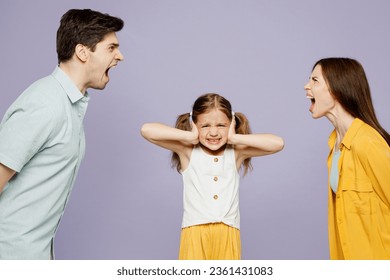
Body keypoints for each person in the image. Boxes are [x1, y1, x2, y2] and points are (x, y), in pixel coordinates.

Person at [0, 9, 124, 259]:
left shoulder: (69, 105)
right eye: (111, 48)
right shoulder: (45, 102)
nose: (120, 56)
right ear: (82, 52)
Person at [141, 93, 284, 259]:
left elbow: (278, 143)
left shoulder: (236, 152)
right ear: (194, 124)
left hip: (228, 232)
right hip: (194, 232)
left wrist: (234, 137)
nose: (214, 132)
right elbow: (146, 130)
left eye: (221, 125)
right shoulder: (187, 151)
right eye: (205, 126)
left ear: (231, 124)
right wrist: (189, 136)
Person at [304, 57, 390, 259]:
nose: (306, 86)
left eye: (315, 80)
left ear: (336, 88)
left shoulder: (367, 142)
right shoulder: (335, 146)